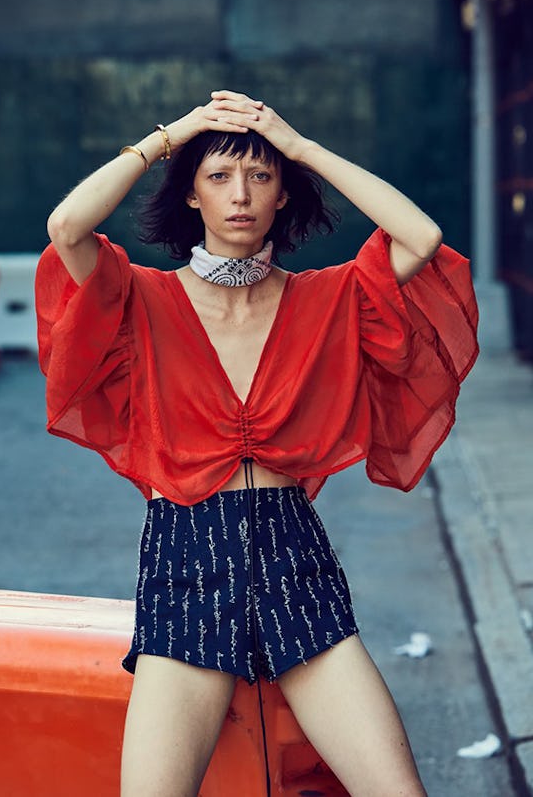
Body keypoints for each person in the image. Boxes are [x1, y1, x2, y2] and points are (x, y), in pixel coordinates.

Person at [35, 90, 478, 797]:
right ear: (191, 197)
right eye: (218, 176)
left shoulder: (327, 298)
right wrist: (178, 134)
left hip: (296, 565)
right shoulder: (141, 298)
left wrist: (298, 144)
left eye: (260, 177)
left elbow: (420, 238)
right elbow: (67, 225)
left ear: (281, 197)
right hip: (185, 566)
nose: (240, 194)